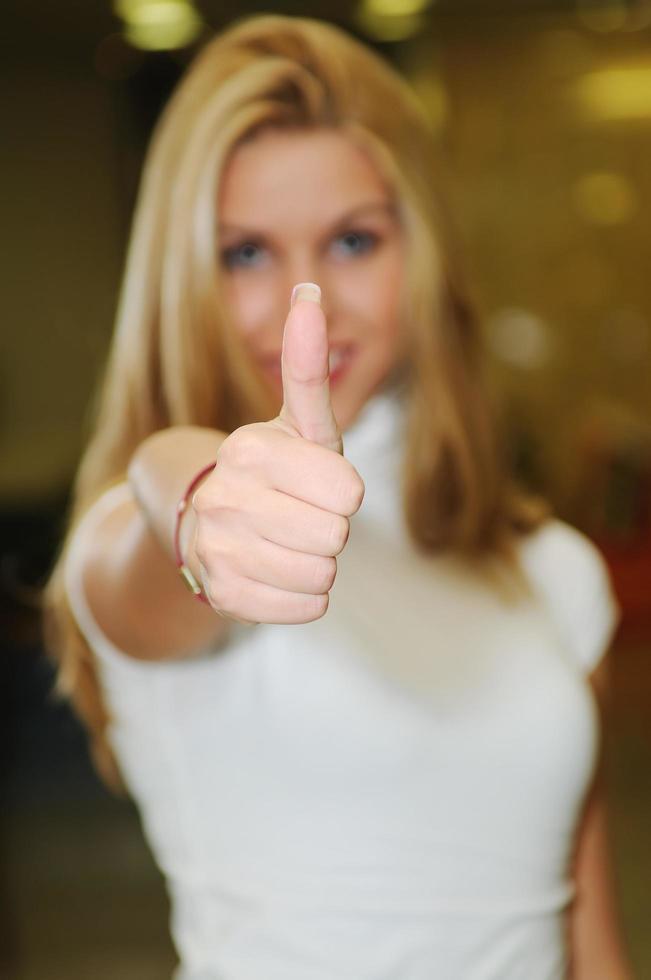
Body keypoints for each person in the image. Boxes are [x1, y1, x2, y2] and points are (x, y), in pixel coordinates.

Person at [44, 13, 634, 980]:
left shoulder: (552, 572)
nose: (304, 301)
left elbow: (590, 946)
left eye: (354, 240)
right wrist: (197, 500)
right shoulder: (177, 544)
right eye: (244, 253)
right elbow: (151, 522)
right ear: (180, 275)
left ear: (423, 251)